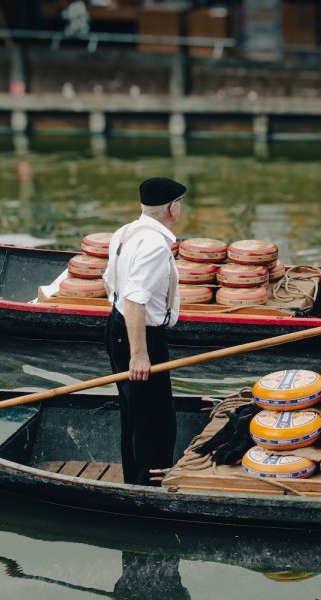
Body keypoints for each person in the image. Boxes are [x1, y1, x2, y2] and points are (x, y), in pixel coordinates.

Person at [103, 176, 184, 486]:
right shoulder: (152, 243)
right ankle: (148, 489)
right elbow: (135, 299)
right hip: (140, 336)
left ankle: (135, 480)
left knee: (134, 414)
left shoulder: (125, 232)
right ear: (172, 208)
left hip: (118, 327)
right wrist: (139, 354)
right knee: (156, 421)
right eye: (180, 204)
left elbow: (109, 280)